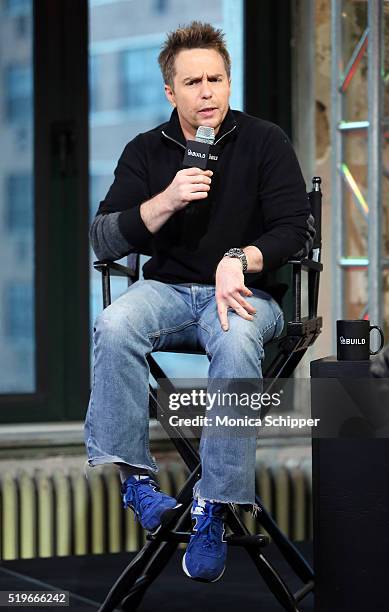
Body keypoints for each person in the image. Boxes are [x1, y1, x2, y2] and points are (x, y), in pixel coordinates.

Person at [84, 21, 311, 583]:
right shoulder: (145, 152)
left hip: (245, 293)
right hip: (167, 291)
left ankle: (213, 506)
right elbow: (105, 238)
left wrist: (242, 255)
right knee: (114, 323)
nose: (207, 92)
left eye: (216, 79)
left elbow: (295, 230)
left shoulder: (265, 140)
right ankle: (136, 483)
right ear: (171, 92)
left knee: (235, 342)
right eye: (193, 82)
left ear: (229, 82)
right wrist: (165, 199)